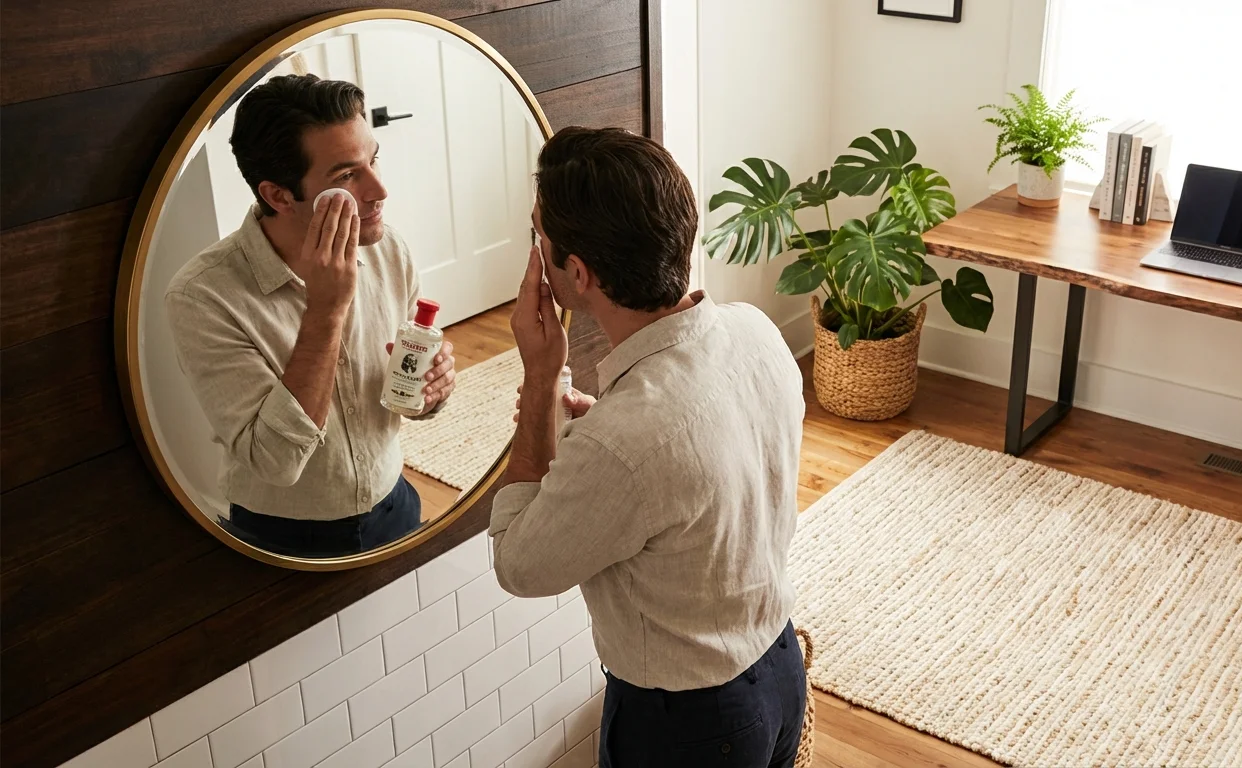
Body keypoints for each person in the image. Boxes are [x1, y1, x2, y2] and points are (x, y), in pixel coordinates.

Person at [491, 127, 808, 767]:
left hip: (688, 727)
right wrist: (609, 426)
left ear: (576, 274)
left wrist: (541, 372)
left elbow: (520, 566)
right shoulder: (756, 332)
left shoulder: (626, 439)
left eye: (539, 241)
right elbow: (690, 454)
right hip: (779, 671)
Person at [165, 74, 457, 558]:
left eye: (374, 159)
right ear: (280, 196)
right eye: (346, 176)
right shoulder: (202, 296)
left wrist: (430, 390)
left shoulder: (389, 249)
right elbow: (275, 462)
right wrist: (326, 309)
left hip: (395, 502)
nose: (379, 189)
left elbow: (404, 393)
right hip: (282, 538)